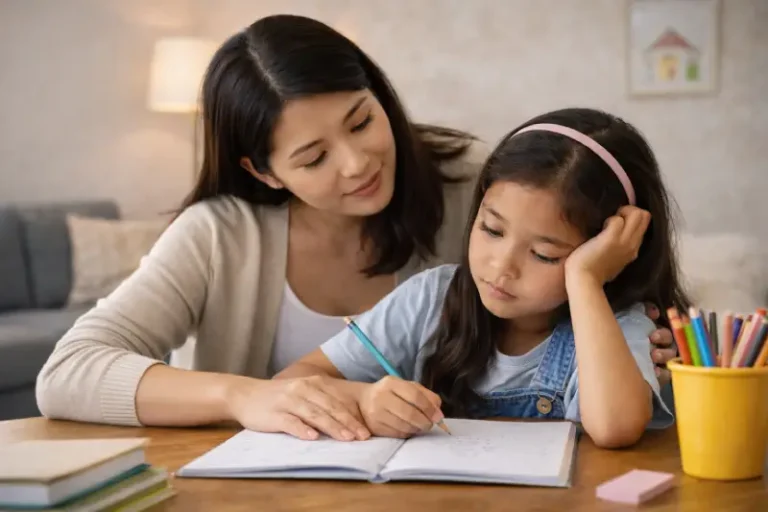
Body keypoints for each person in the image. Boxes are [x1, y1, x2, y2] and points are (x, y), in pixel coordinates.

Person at [35, 15, 676, 442]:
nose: (358, 163)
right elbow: (68, 373)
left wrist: (636, 326)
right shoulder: (218, 236)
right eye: (313, 158)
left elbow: (579, 227)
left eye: (362, 121)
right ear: (264, 170)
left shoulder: (475, 189)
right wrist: (244, 398)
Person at [279, 107, 690, 448]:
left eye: (545, 255)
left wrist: (584, 281)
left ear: (605, 254)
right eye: (492, 230)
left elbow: (616, 429)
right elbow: (293, 381)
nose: (501, 267)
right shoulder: (430, 299)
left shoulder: (617, 327)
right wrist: (365, 399)